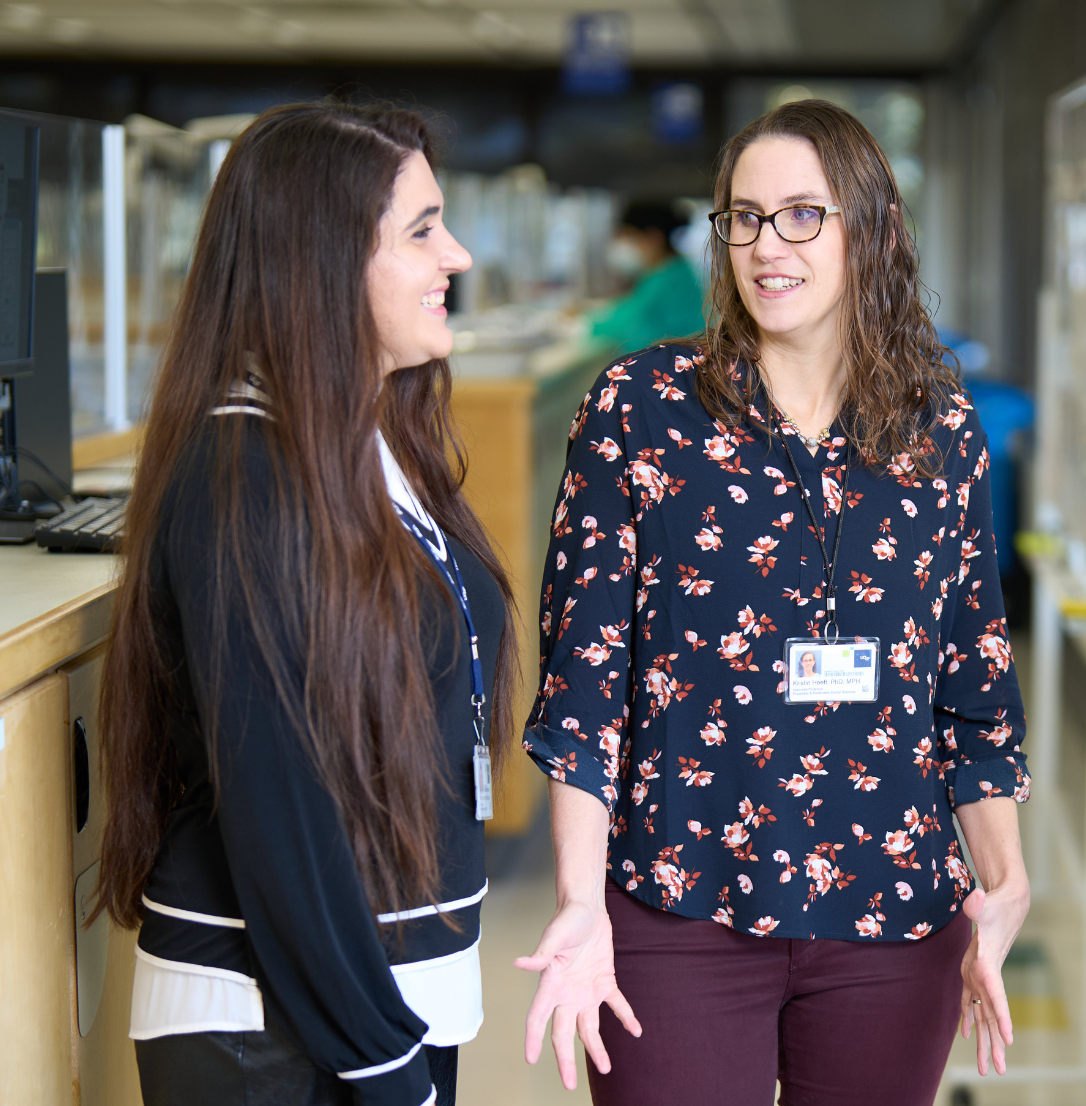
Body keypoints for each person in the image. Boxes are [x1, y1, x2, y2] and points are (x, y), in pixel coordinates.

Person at [517, 99, 1030, 1105]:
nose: (765, 244)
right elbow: (583, 690)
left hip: (895, 918)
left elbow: (974, 684)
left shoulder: (942, 427)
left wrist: (1004, 881)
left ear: (869, 229)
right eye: (742, 217)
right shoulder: (639, 410)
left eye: (802, 214)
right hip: (677, 912)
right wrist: (582, 899)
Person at [93, 102, 518, 1106]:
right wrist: (382, 1064)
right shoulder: (244, 474)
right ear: (319, 260)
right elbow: (281, 804)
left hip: (377, 996)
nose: (455, 254)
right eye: (420, 230)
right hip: (279, 1032)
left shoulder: (373, 446)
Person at [586, 200, 706, 356]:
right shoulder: (670, 271)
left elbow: (627, 326)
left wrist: (583, 324)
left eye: (629, 237)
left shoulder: (667, 280)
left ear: (653, 238)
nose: (623, 247)